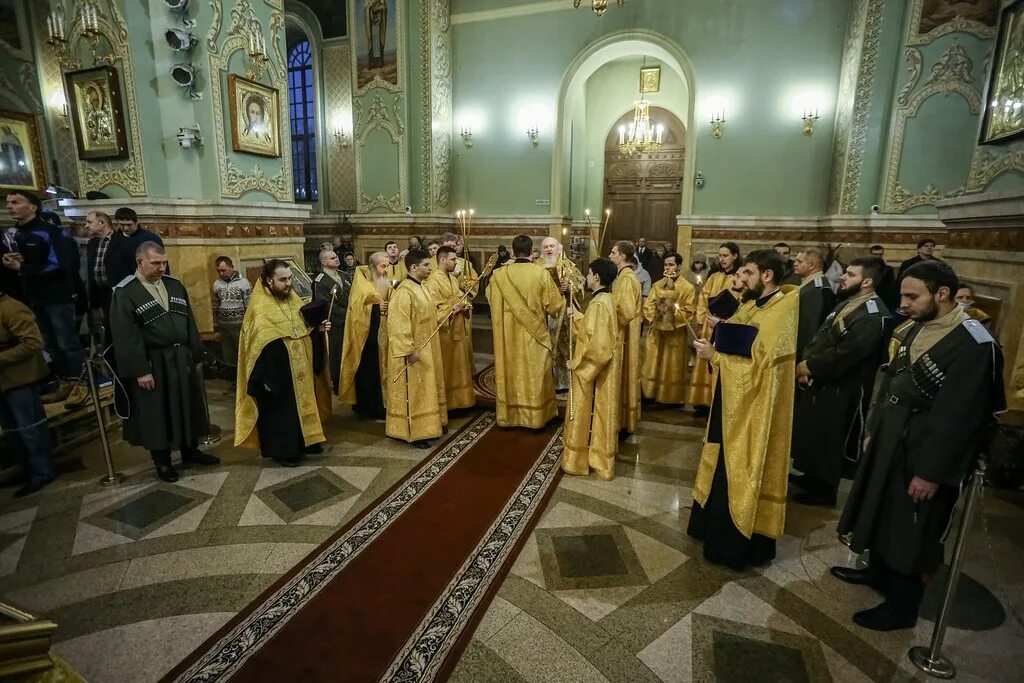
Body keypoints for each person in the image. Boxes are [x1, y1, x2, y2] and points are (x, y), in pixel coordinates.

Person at [834, 260, 1005, 631]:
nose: (904, 303)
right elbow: (892, 380)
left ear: (941, 294)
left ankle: (901, 607)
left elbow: (959, 419)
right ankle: (876, 573)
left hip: (924, 451)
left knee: (911, 530)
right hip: (892, 437)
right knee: (882, 509)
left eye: (913, 296)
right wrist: (874, 427)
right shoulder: (918, 325)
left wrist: (930, 473)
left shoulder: (973, 343)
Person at [687, 249, 798, 571]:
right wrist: (720, 328)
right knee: (719, 458)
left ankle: (734, 544)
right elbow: (741, 337)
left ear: (767, 275)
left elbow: (759, 367)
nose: (740, 278)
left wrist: (715, 357)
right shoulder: (755, 303)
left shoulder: (782, 310)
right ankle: (708, 525)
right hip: (733, 401)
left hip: (753, 409)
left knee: (738, 467)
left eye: (747, 273)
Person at [109, 242, 219, 482]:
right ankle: (163, 461)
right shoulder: (126, 292)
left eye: (164, 262)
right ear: (140, 263)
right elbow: (126, 335)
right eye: (156, 263)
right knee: (157, 411)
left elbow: (190, 322)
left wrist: (197, 354)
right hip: (153, 361)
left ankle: (190, 450)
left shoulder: (174, 285)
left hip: (181, 357)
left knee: (187, 403)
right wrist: (140, 370)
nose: (162, 267)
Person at [790, 257, 891, 506]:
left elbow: (848, 353)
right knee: (816, 430)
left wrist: (810, 366)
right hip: (823, 380)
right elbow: (821, 335)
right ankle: (812, 476)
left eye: (851, 274)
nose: (843, 277)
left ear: (867, 281)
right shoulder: (848, 302)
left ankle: (825, 490)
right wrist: (806, 363)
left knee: (831, 436)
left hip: (844, 387)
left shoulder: (873, 314)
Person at [235, 259, 331, 467]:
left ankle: (307, 440)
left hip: (299, 366)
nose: (288, 284)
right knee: (281, 411)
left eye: (289, 278)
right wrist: (267, 377)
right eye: (282, 280)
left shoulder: (293, 299)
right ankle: (283, 450)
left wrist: (318, 328)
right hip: (275, 370)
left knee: (302, 402)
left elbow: (302, 327)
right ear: (269, 280)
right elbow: (256, 345)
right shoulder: (259, 308)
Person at [2, 191, 84, 401]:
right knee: (49, 343)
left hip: (57, 296)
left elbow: (60, 264)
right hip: (33, 296)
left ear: (32, 207)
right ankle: (63, 382)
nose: (10, 206)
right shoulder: (16, 233)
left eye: (16, 202)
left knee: (67, 341)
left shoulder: (49, 232)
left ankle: (80, 384)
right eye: (8, 203)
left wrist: (22, 266)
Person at [486, 234, 565, 428]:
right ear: (532, 252)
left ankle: (509, 416)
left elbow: (489, 298)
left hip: (507, 337)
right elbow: (554, 306)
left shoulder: (498, 276)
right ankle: (536, 418)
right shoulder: (540, 274)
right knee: (534, 372)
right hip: (534, 336)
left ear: (513, 252)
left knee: (511, 371)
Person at [561, 258, 621, 481]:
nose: (586, 278)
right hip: (599, 369)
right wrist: (576, 317)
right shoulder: (605, 299)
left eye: (588, 274)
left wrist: (578, 365)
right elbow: (591, 329)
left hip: (595, 373)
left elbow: (600, 347)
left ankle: (582, 458)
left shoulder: (599, 303)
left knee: (588, 412)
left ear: (596, 277)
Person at [386, 249, 447, 448]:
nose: (430, 268)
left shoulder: (421, 287)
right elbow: (397, 324)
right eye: (426, 265)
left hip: (427, 347)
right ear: (413, 267)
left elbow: (429, 316)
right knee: (413, 391)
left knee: (426, 388)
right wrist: (408, 350)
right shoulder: (404, 292)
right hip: (412, 351)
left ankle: (429, 425)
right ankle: (414, 432)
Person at [0, 291, 55, 497]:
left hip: (20, 379)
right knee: (12, 430)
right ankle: (27, 469)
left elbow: (33, 343)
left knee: (30, 428)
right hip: (3, 381)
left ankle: (42, 472)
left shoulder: (12, 308)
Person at [686, 242, 741, 416]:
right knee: (704, 364)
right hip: (708, 328)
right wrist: (702, 319)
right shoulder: (714, 277)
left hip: (725, 328)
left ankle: (717, 402)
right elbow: (703, 297)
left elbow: (740, 302)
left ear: (735, 256)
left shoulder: (738, 278)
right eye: (720, 255)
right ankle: (702, 401)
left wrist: (725, 320)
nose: (722, 259)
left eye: (725, 255)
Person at [338, 252, 391, 419]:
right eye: (383, 266)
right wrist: (377, 308)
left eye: (388, 266)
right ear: (373, 267)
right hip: (366, 339)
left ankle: (382, 403)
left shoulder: (382, 280)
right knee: (369, 372)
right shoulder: (362, 284)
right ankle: (370, 408)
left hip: (382, 333)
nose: (386, 270)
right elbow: (357, 309)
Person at [641, 252, 696, 407]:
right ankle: (649, 393)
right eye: (666, 264)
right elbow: (648, 306)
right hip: (657, 332)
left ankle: (670, 398)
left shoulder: (687, 287)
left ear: (679, 266)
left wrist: (671, 316)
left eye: (671, 264)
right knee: (651, 362)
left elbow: (689, 311)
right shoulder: (657, 285)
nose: (668, 267)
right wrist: (657, 316)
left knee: (671, 365)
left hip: (675, 334)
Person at [423, 246, 475, 410]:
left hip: (458, 329)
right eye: (453, 259)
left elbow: (463, 299)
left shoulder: (453, 279)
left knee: (460, 365)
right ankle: (447, 403)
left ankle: (461, 402)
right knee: (447, 367)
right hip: (444, 332)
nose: (455, 262)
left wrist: (464, 306)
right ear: (443, 260)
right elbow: (432, 309)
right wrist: (451, 309)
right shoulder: (433, 281)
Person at [610, 241, 643, 438]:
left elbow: (627, 311)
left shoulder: (627, 279)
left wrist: (609, 315)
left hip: (624, 334)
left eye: (613, 252)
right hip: (624, 332)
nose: (611, 255)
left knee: (624, 374)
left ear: (622, 256)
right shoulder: (623, 276)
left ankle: (622, 421)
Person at [312, 249, 348, 390]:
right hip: (334, 324)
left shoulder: (344, 276)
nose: (337, 259)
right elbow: (324, 304)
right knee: (336, 353)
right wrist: (347, 313)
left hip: (349, 322)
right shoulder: (320, 281)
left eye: (336, 257)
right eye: (332, 258)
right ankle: (337, 383)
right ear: (324, 262)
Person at [793, 247, 837, 360]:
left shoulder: (815, 290)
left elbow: (810, 328)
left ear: (812, 265)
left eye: (799, 261)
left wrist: (804, 358)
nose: (794, 263)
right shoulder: (811, 285)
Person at [211, 256, 251, 373]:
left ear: (232, 267)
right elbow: (215, 307)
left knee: (242, 355)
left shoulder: (243, 283)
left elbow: (249, 306)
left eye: (224, 270)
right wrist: (216, 328)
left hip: (240, 326)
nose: (221, 273)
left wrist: (248, 326)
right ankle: (233, 381)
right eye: (218, 271)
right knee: (228, 356)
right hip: (224, 327)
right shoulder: (216, 284)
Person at [106, 208, 165, 286]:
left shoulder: (150, 238)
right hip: (120, 283)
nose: (126, 228)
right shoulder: (113, 239)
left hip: (145, 282)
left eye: (129, 224)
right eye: (122, 225)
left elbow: (161, 260)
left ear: (137, 222)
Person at [85, 210, 116, 342]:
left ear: (102, 223)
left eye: (89, 222)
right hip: (100, 294)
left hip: (116, 294)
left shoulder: (122, 242)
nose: (86, 225)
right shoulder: (92, 243)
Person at [869, 244, 900, 313]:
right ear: (870, 254)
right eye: (875, 254)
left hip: (885, 298)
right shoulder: (865, 268)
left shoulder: (888, 269)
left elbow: (892, 285)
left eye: (880, 254)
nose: (878, 256)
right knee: (872, 315)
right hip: (870, 297)